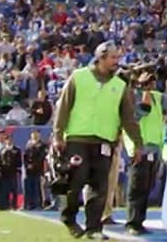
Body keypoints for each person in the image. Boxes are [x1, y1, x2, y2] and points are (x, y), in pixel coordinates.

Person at [52, 40, 145, 240]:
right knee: (74, 183)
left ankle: (94, 228)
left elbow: (129, 118)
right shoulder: (78, 77)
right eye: (113, 58)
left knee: (100, 187)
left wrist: (137, 144)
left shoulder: (120, 86)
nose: (117, 62)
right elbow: (63, 107)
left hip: (104, 141)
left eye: (118, 58)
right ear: (101, 57)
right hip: (78, 138)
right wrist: (58, 134)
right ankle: (68, 217)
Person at [123, 69, 166, 235]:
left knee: (147, 187)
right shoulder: (131, 96)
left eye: (152, 82)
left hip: (154, 147)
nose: (151, 86)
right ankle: (132, 222)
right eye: (147, 83)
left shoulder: (156, 97)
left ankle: (140, 221)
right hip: (140, 147)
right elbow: (134, 119)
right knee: (137, 186)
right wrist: (142, 98)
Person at [24, 131, 50, 211]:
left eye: (36, 134)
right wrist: (27, 165)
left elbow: (42, 157)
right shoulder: (28, 144)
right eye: (33, 134)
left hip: (38, 169)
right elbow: (25, 156)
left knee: (38, 187)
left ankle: (39, 204)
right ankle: (30, 204)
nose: (35, 136)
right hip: (29, 170)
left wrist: (34, 165)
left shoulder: (43, 145)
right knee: (29, 187)